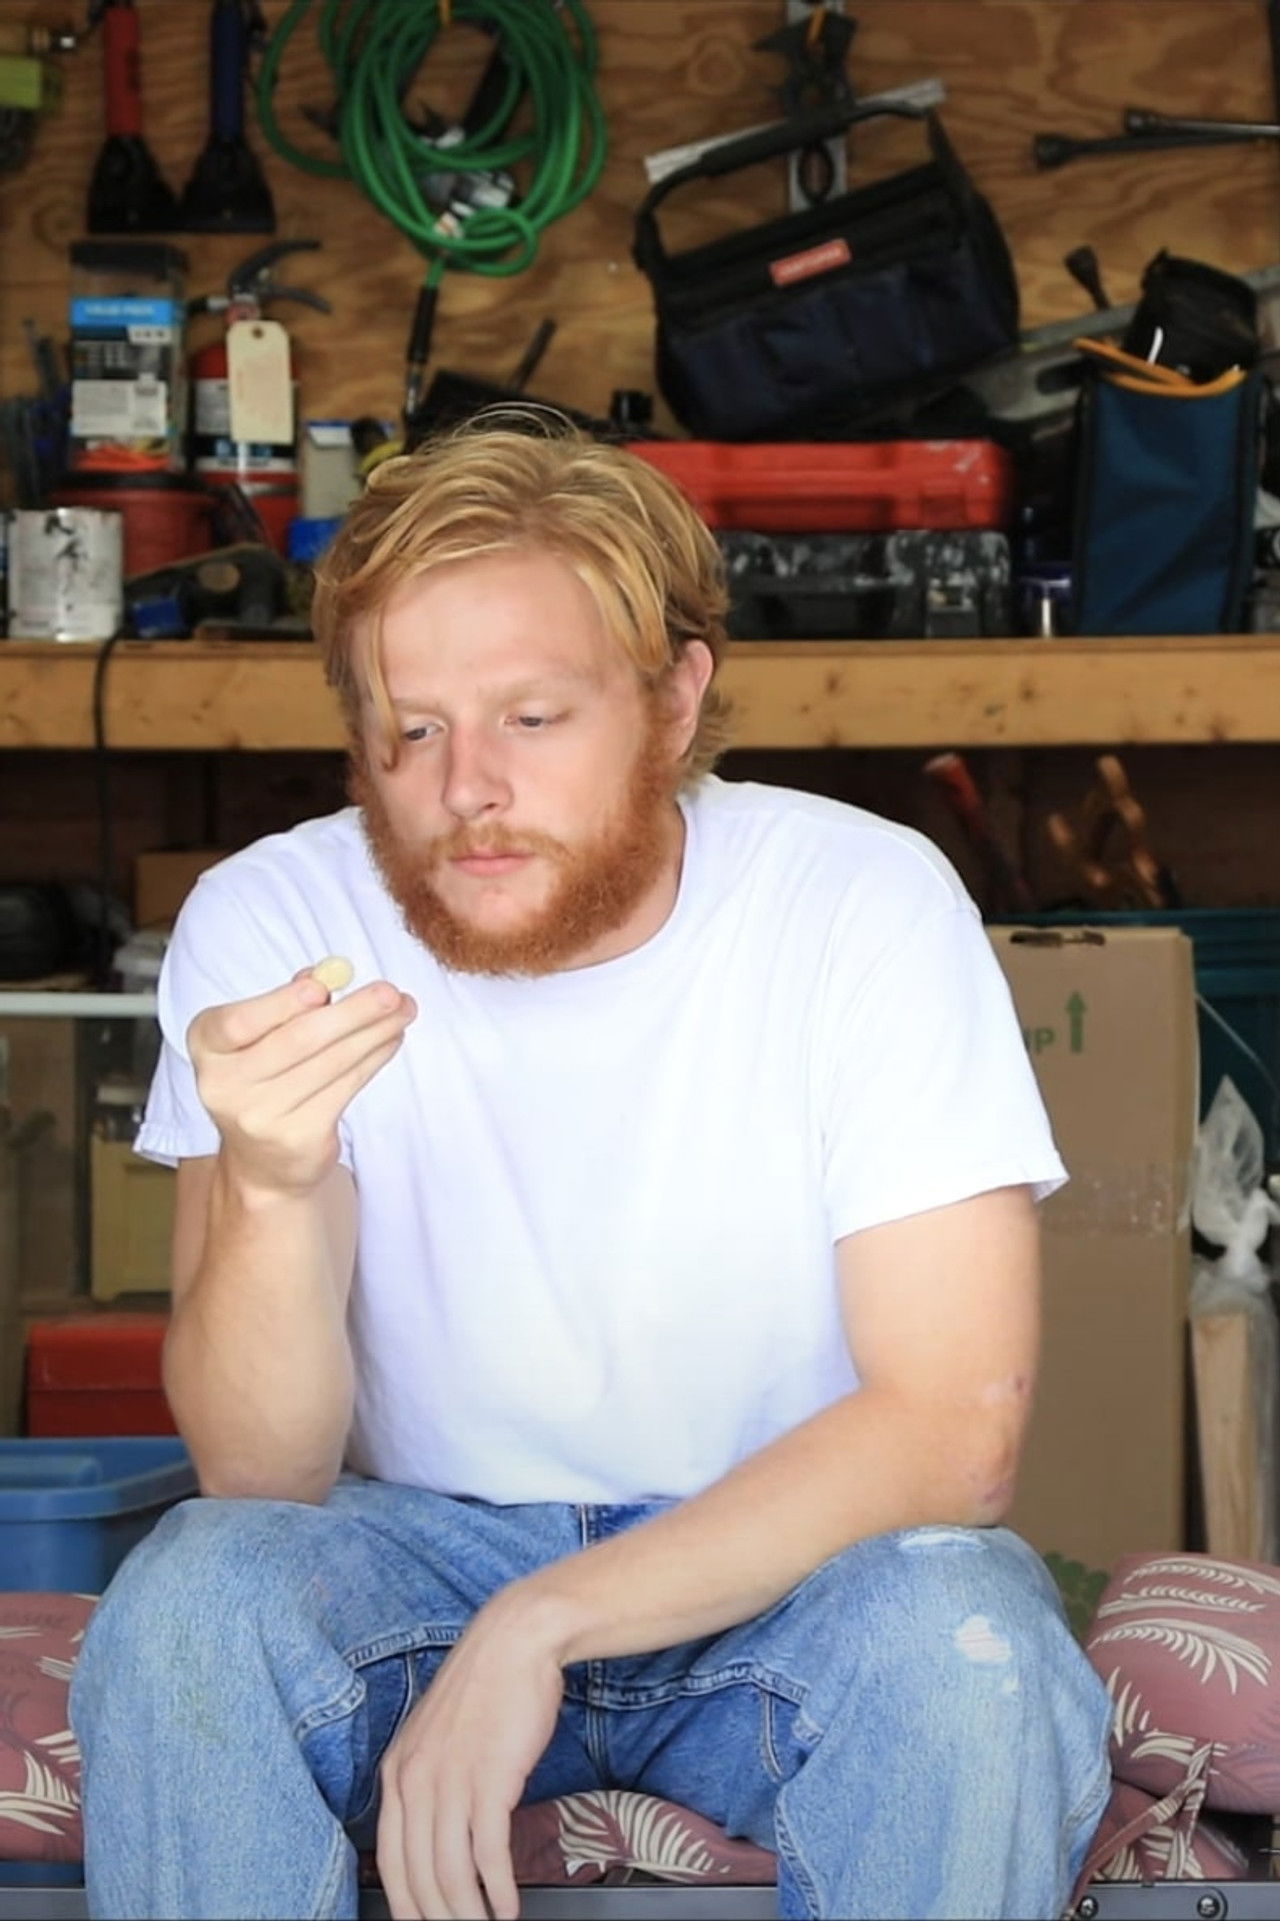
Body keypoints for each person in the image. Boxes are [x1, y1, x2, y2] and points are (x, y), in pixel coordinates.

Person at [69, 417, 1112, 1921]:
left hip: (793, 1570)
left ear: (674, 697)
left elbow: (953, 1428)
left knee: (969, 1640)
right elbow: (260, 1475)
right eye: (410, 728)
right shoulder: (271, 918)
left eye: (533, 718)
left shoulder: (863, 902)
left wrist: (540, 1625)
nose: (464, 788)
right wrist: (275, 1184)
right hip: (404, 1553)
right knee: (188, 1602)